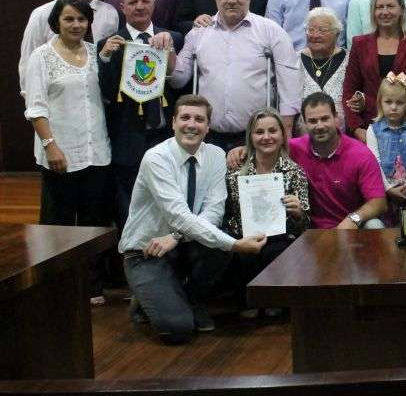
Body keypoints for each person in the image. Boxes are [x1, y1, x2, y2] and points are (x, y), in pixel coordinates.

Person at [118, 95, 267, 344]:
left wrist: (176, 236)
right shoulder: (156, 158)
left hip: (181, 244)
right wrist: (235, 244)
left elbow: (213, 212)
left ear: (208, 127)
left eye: (199, 119)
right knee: (178, 329)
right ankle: (147, 300)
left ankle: (189, 296)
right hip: (146, 251)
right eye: (185, 117)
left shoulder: (216, 155)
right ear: (173, 122)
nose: (192, 124)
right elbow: (178, 214)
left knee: (219, 247)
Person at [24, 0, 112, 304]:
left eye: (81, 19)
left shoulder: (94, 52)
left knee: (94, 221)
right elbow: (35, 107)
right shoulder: (42, 56)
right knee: (58, 223)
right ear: (56, 22)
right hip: (60, 151)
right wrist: (51, 146)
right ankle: (56, 286)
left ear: (89, 23)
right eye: (69, 19)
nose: (76, 24)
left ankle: (91, 285)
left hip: (97, 150)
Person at [169, 0, 302, 151]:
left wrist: (286, 127)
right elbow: (179, 80)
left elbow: (290, 80)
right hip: (209, 138)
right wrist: (168, 52)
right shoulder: (198, 33)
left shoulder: (271, 31)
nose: (231, 0)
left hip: (257, 138)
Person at [97, 0, 183, 230]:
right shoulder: (109, 44)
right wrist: (104, 58)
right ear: (123, 7)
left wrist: (172, 52)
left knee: (168, 201)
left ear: (154, 4)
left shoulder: (173, 37)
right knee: (129, 205)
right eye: (133, 2)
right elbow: (106, 93)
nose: (140, 6)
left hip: (165, 135)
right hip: (128, 138)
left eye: (145, 1)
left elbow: (180, 84)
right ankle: (131, 256)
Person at [223, 109, 309, 318]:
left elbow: (305, 225)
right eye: (259, 132)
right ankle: (248, 302)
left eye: (273, 131)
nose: (266, 137)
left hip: (281, 236)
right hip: (244, 234)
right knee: (243, 251)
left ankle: (275, 300)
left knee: (279, 250)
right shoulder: (235, 171)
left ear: (282, 136)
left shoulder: (295, 171)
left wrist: (298, 212)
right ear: (250, 138)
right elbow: (228, 212)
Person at [19, 0, 119, 97]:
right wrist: (34, 107)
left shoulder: (109, 13)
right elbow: (28, 63)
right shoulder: (41, 14)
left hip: (99, 101)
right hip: (58, 102)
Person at [343, 0, 406, 141]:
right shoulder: (359, 44)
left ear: (401, 10)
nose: (385, 12)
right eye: (379, 7)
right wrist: (357, 129)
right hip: (369, 129)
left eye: (391, 6)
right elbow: (349, 91)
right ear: (373, 12)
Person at [290, 92, 388, 229]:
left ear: (336, 118)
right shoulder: (294, 148)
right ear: (305, 123)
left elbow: (379, 202)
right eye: (312, 121)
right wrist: (248, 149)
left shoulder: (360, 153)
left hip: (352, 228)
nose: (319, 126)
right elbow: (267, 143)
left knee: (374, 225)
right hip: (312, 232)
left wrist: (353, 219)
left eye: (325, 119)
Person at [365, 74, 406, 224]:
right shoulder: (373, 130)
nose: (394, 107)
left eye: (400, 102)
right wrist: (388, 188)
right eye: (388, 102)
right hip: (384, 192)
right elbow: (374, 163)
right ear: (380, 103)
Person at [297, 7, 349, 134]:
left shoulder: (350, 60)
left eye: (322, 30)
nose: (315, 35)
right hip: (304, 137)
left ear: (337, 33)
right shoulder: (294, 60)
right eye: (311, 30)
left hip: (343, 136)